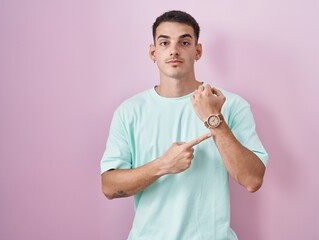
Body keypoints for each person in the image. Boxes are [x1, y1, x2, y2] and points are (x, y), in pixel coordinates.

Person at [100, 10, 268, 240]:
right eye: (164, 42)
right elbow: (109, 187)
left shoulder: (230, 105)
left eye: (185, 42)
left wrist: (214, 120)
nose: (174, 50)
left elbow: (252, 180)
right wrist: (163, 165)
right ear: (153, 52)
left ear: (198, 51)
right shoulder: (129, 111)